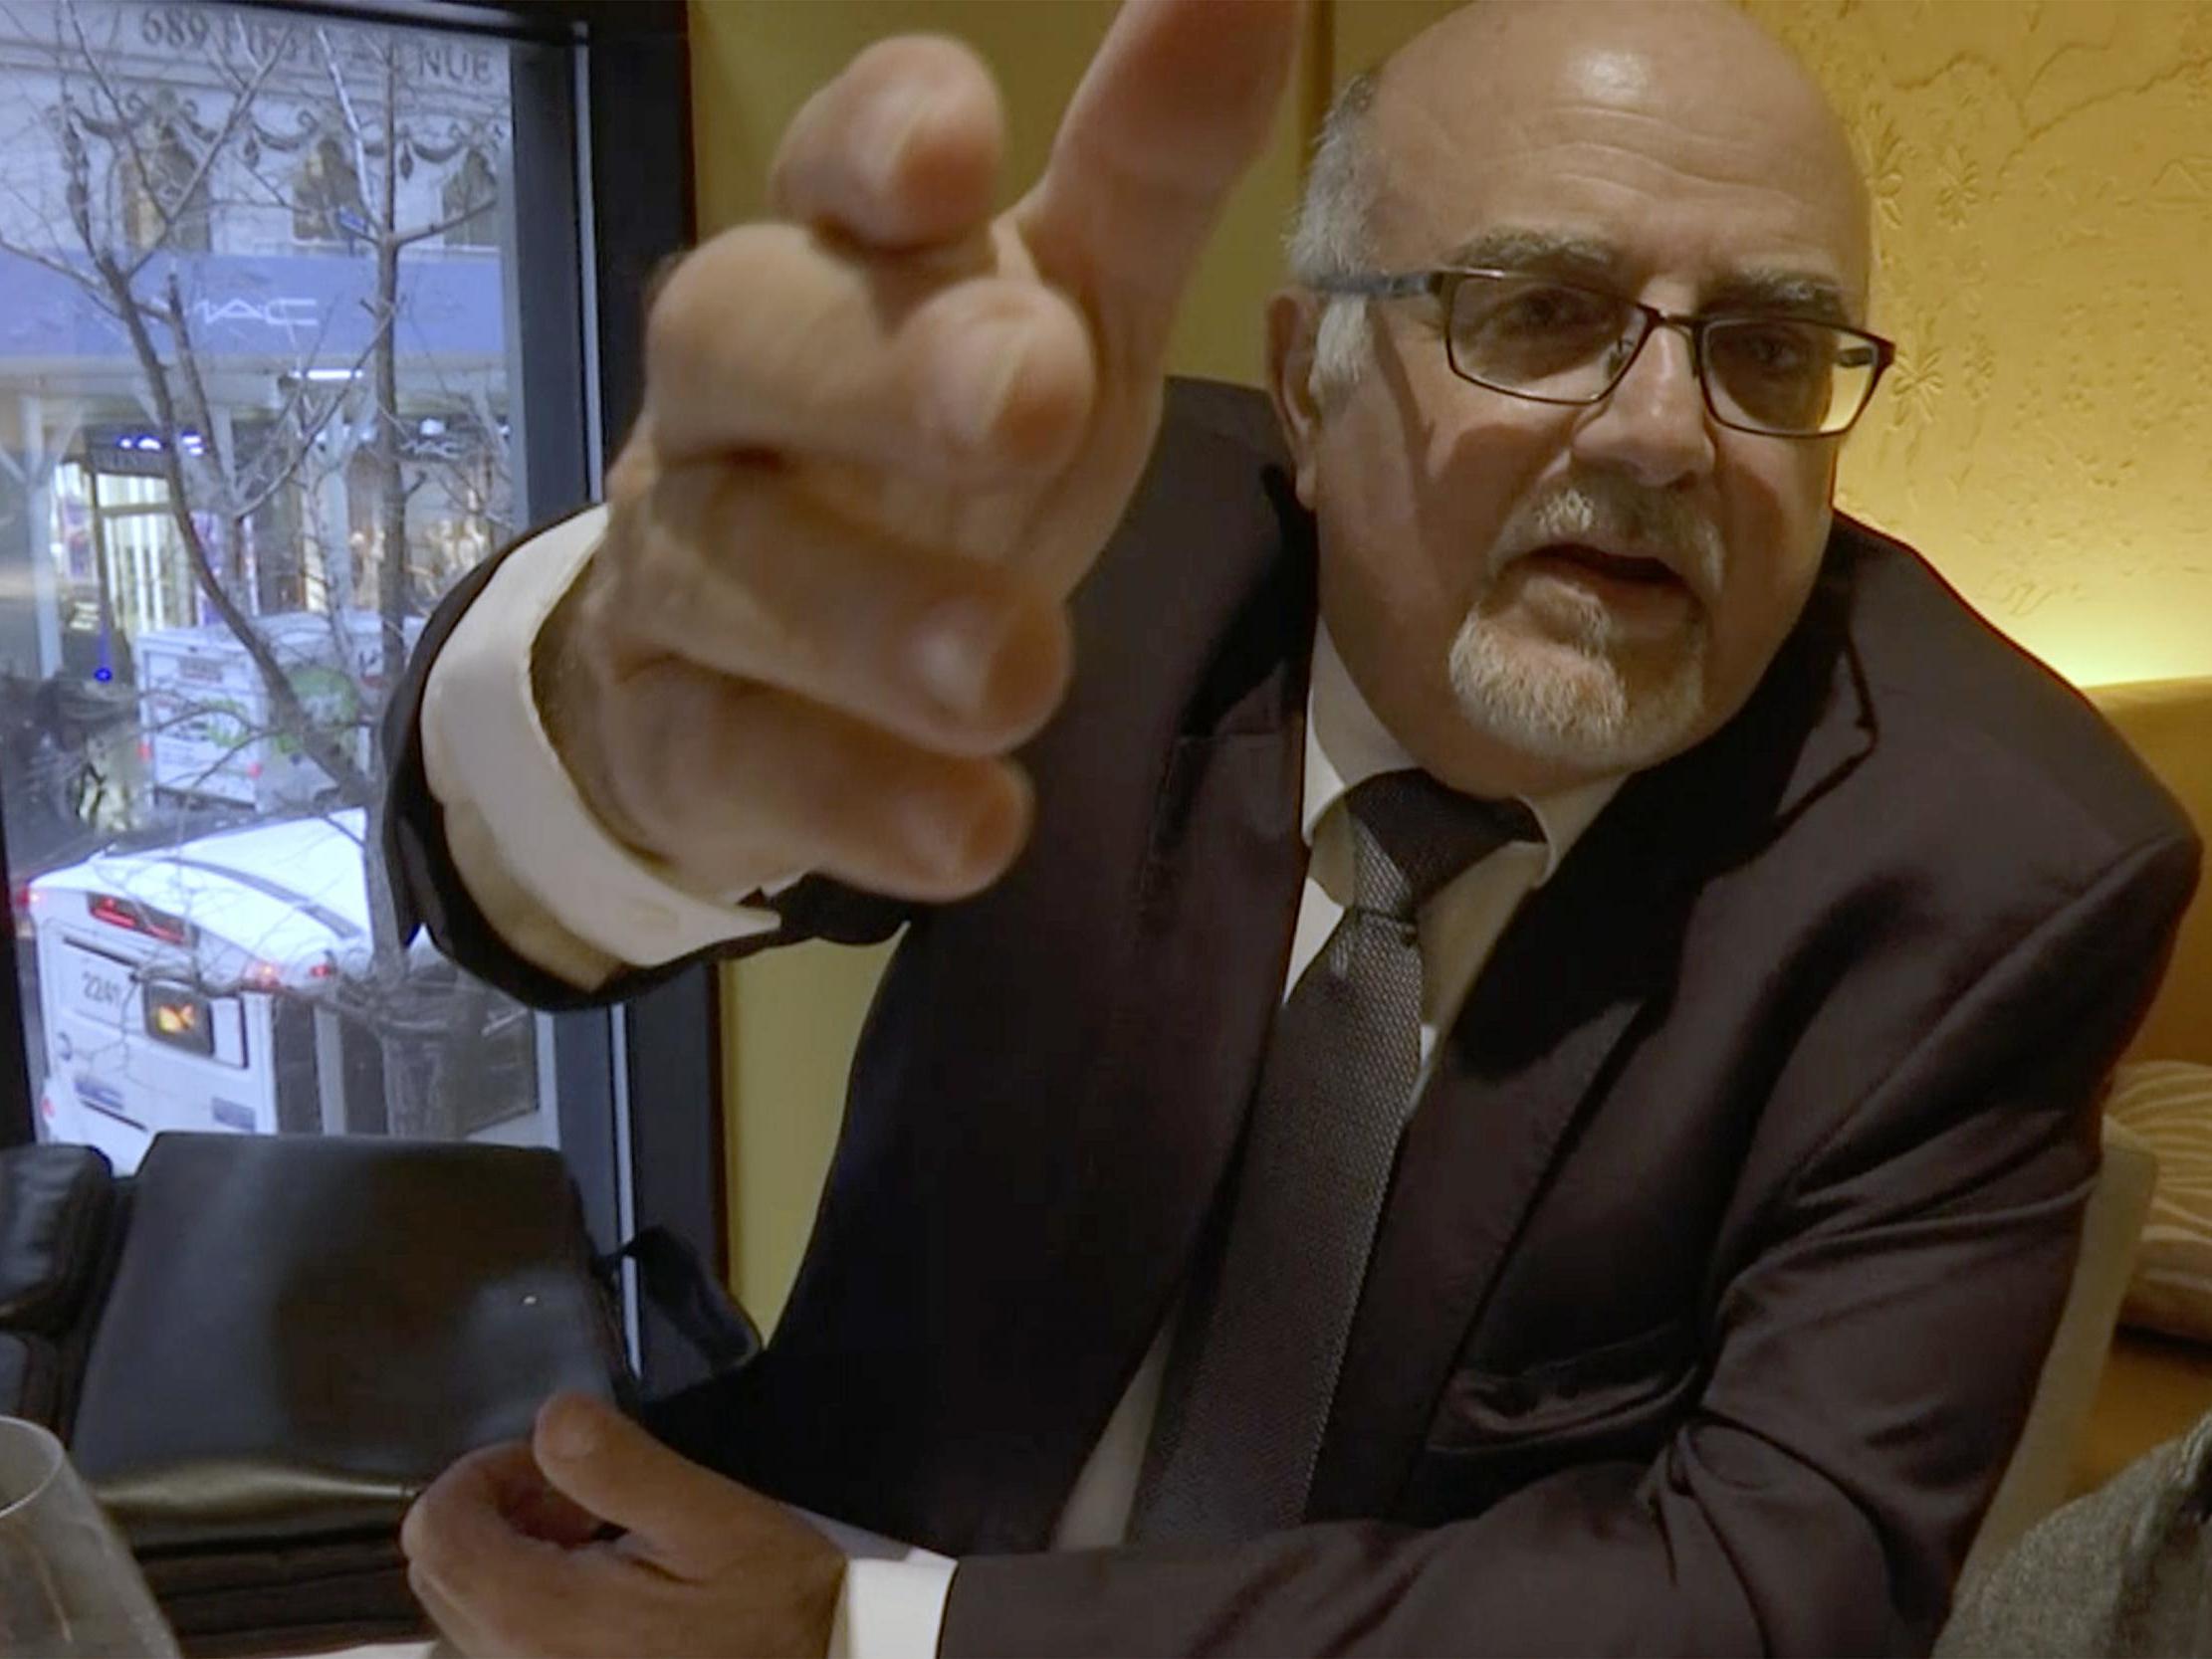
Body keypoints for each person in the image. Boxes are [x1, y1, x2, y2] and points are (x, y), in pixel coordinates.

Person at [391, 0, 2201, 1653]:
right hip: (798, 1534)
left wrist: (868, 1641)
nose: (1664, 433)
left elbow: (1769, 1590)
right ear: (1303, 382)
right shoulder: (1079, 550)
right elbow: (519, 862)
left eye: (1772, 349)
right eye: (1539, 311)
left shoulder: (1991, 866)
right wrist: (621, 729)